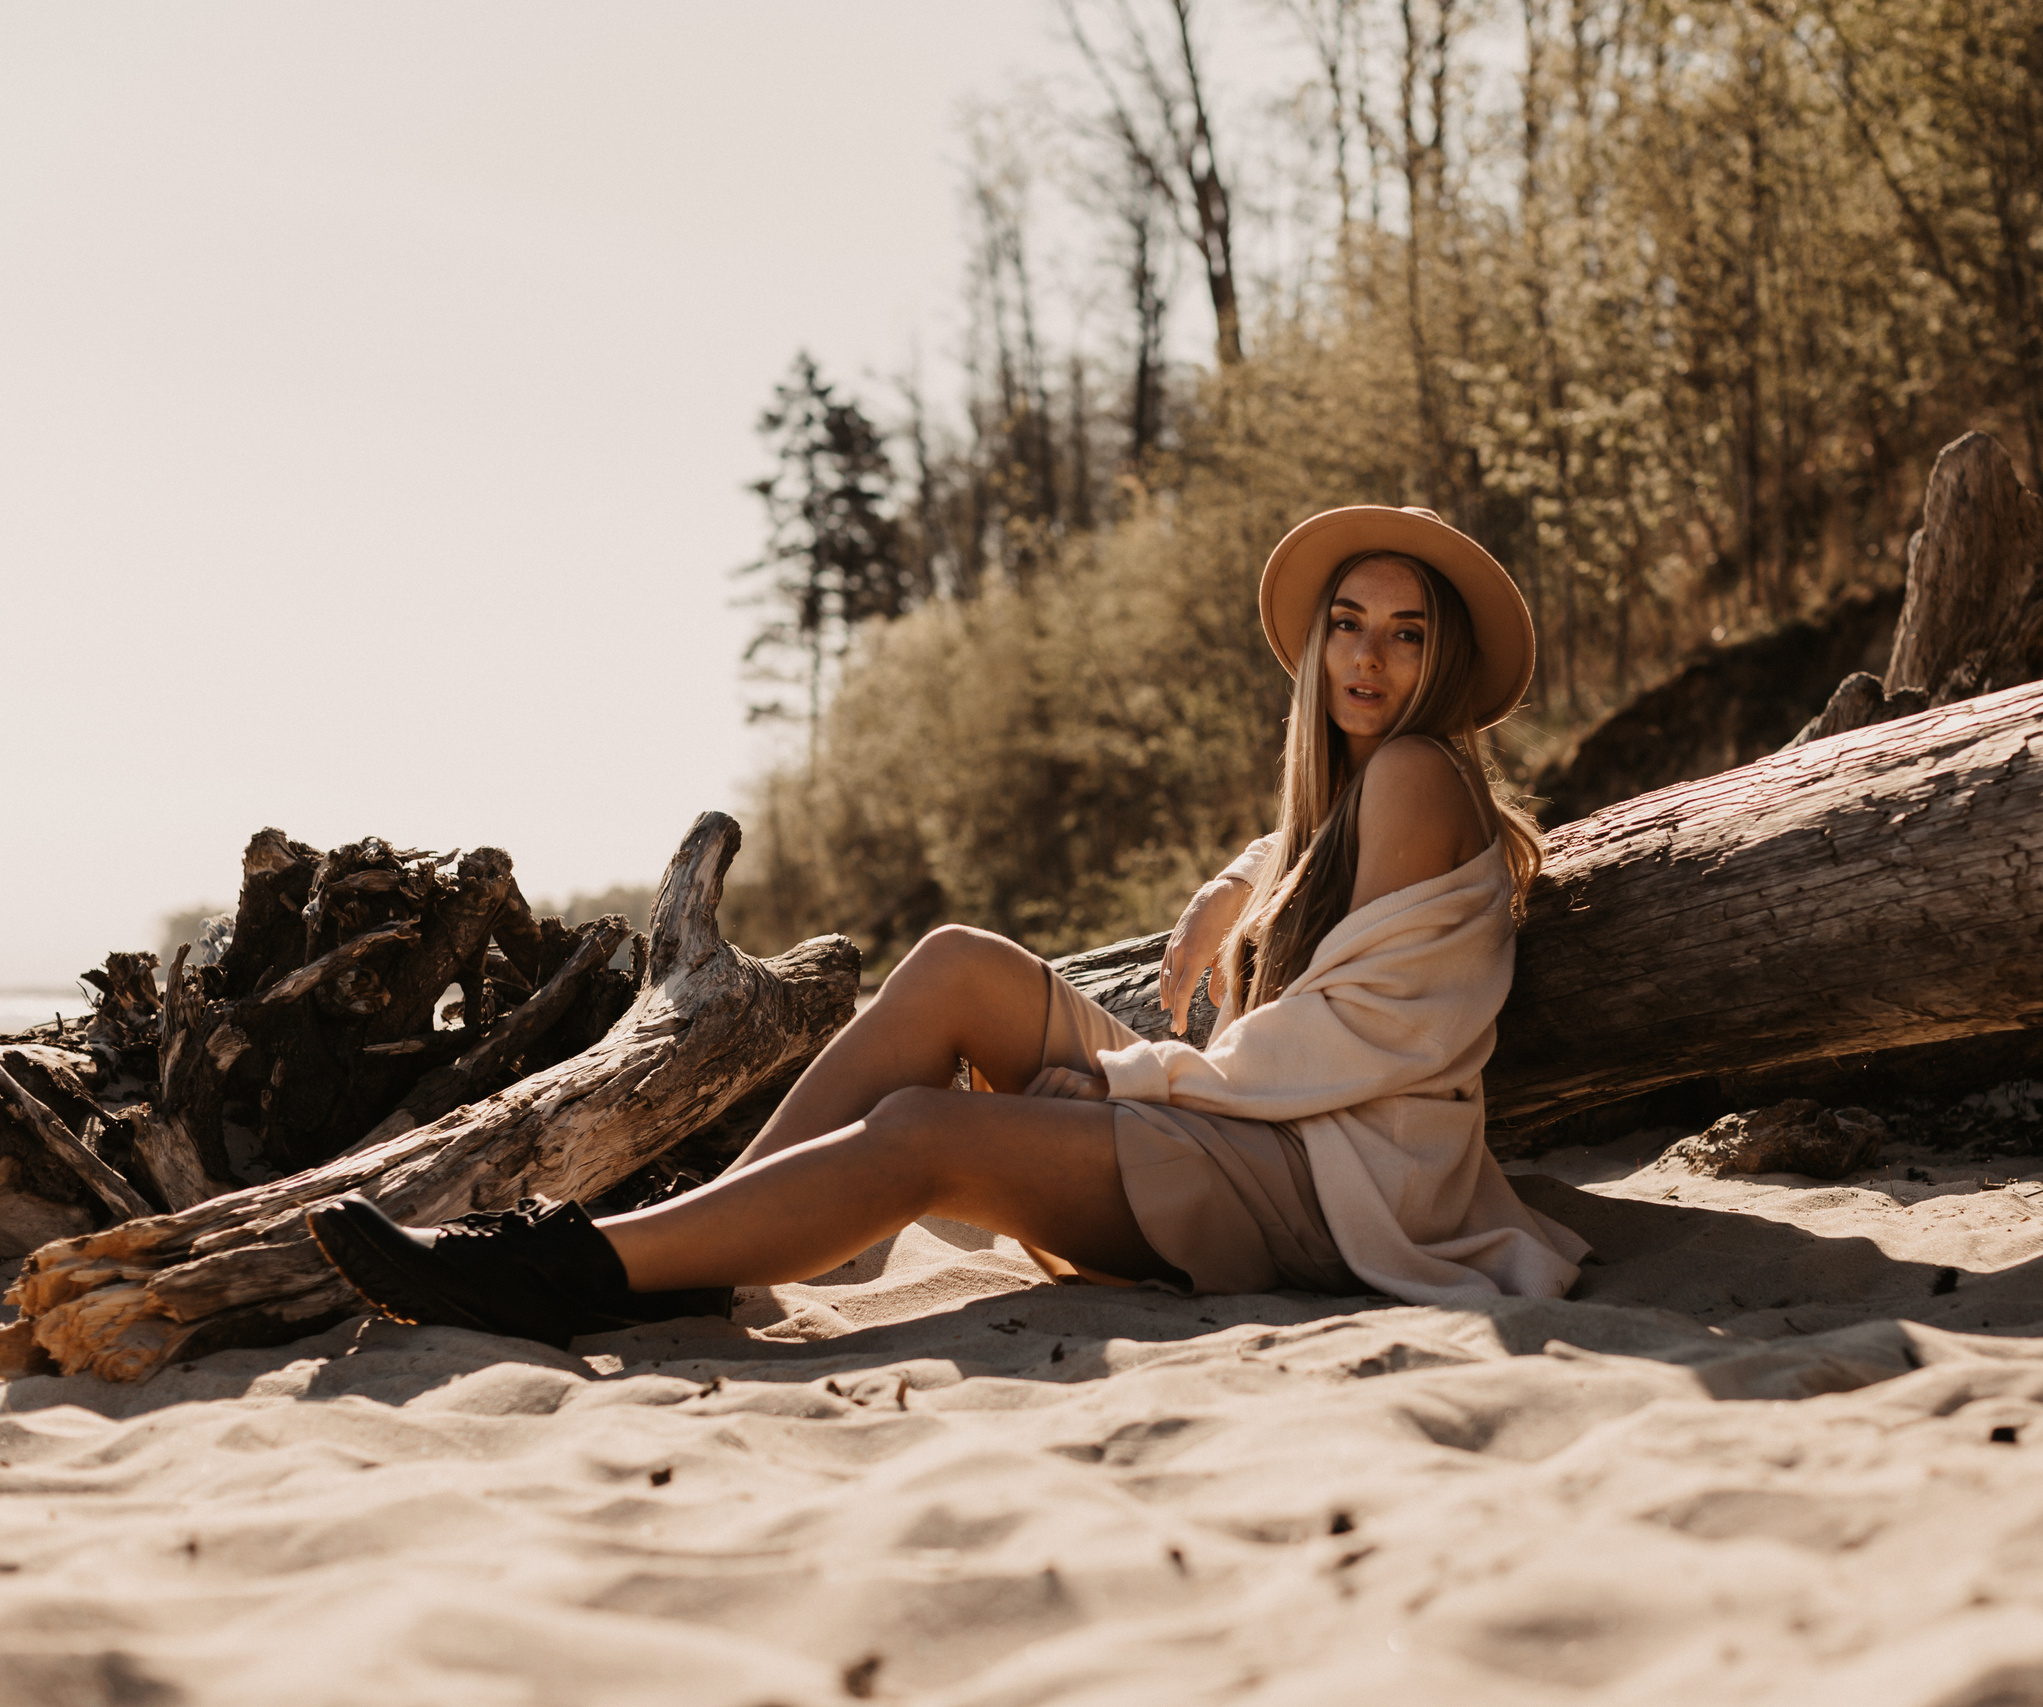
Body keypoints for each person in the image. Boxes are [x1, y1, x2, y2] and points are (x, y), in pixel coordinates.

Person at [306, 505, 1591, 1347]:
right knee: (957, 965)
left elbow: (1339, 1044)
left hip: (1328, 1193)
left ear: (1440, 664)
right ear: (1316, 650)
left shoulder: (1420, 774)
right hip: (1269, 1145)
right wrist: (1234, 883)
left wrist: (1120, 1078)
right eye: (1348, 628)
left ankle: (574, 1266)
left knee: (926, 1131)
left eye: (1405, 637)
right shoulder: (1355, 792)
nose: (1370, 660)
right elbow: (1316, 870)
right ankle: (707, 1238)